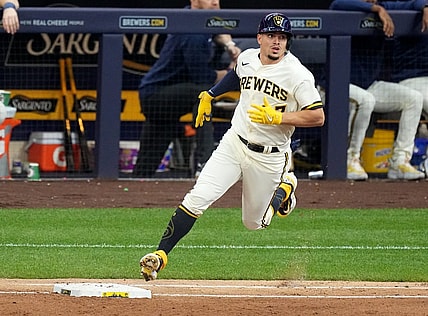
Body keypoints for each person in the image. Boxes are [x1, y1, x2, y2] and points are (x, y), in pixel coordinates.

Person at [139, 12, 325, 281]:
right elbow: (237, 74)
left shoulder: (298, 75)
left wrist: (279, 117)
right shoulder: (248, 56)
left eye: (282, 37)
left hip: (270, 157)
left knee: (254, 223)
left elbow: (318, 116)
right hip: (234, 143)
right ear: (260, 37)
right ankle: (159, 256)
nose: (276, 42)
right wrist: (210, 94)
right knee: (198, 196)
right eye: (271, 35)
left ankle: (284, 190)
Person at [132, 0, 241, 178]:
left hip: (167, 97)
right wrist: (231, 71)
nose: (215, 2)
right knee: (203, 95)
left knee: (146, 166)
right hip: (158, 96)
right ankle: (204, 162)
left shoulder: (192, 16)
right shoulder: (192, 34)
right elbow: (203, 77)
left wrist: (229, 45)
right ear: (194, 1)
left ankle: (134, 187)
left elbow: (217, 29)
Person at [329, 0, 425, 180]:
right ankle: (350, 159)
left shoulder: (387, 6)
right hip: (335, 85)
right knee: (365, 100)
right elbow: (337, 4)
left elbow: (411, 4)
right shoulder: (350, 5)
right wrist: (376, 9)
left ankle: (400, 162)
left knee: (413, 98)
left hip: (368, 85)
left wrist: (425, 6)